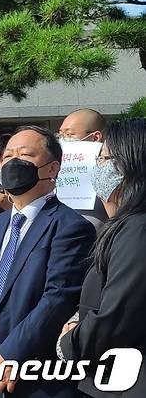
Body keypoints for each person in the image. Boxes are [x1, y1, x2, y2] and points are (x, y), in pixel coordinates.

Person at [0, 126, 96, 398]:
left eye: (25, 155)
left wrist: (13, 353)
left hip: (34, 375)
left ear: (52, 168)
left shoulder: (70, 226)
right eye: (8, 155)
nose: (13, 162)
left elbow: (58, 298)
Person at [58, 117, 146, 397]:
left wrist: (69, 342)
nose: (98, 168)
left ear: (128, 165)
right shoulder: (125, 225)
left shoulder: (136, 229)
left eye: (104, 158)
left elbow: (117, 315)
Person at [57, 108, 108, 231]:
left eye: (69, 135)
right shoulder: (54, 165)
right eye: (60, 134)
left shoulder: (112, 169)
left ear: (96, 137)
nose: (62, 140)